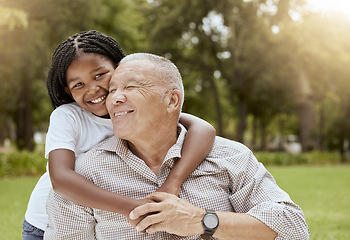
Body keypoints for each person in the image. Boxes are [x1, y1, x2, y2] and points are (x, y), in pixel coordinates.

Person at [44, 53, 310, 239]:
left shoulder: (230, 157)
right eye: (112, 90)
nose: (113, 98)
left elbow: (292, 227)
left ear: (172, 101)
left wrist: (202, 221)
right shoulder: (87, 175)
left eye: (130, 86)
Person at [23, 31, 216, 240]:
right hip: (45, 222)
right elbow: (61, 178)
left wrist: (173, 182)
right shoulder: (68, 117)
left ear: (118, 68)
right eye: (78, 84)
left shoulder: (135, 109)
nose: (93, 89)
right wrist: (132, 207)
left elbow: (204, 129)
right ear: (68, 91)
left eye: (99, 75)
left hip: (97, 215)